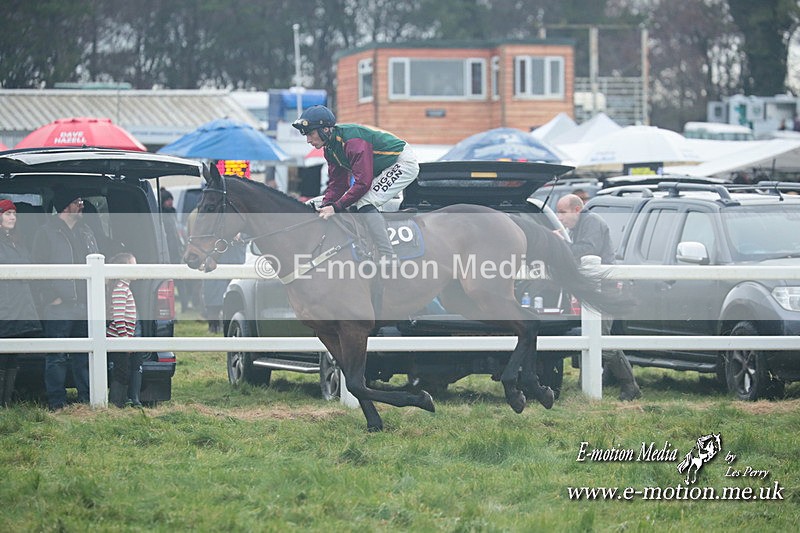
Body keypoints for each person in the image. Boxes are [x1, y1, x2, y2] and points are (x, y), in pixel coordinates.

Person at [292, 105, 420, 258]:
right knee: (317, 202)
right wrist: (326, 206)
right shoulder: (330, 149)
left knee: (364, 202)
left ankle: (388, 254)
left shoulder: (352, 142)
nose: (308, 140)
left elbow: (363, 184)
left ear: (325, 129)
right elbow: (338, 185)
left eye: (311, 133)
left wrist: (336, 207)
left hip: (402, 162)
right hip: (381, 167)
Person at [555, 193, 641, 401]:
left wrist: (561, 244)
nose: (560, 218)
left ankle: (630, 385)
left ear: (577, 209)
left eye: (562, 212)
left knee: (600, 340)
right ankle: (586, 383)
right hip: (595, 289)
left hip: (604, 289)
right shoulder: (579, 227)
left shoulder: (591, 222)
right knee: (591, 336)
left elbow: (587, 251)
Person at [32, 189, 99, 411]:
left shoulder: (86, 231)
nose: (82, 205)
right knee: (57, 356)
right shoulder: (46, 233)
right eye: (78, 201)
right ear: (65, 205)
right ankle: (56, 403)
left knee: (84, 355)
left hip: (85, 303)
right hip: (60, 307)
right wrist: (52, 297)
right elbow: (37, 269)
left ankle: (86, 400)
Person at [0, 199, 42, 406]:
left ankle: (6, 402)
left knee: (13, 357)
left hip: (20, 305)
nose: (12, 218)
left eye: (14, 214)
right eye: (7, 214)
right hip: (4, 306)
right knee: (2, 356)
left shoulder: (18, 241)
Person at [106, 252, 143, 407]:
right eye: (133, 266)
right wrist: (125, 339)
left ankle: (123, 400)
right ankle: (116, 402)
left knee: (124, 368)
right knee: (121, 371)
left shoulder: (123, 288)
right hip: (119, 337)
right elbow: (119, 317)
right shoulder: (121, 289)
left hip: (123, 336)